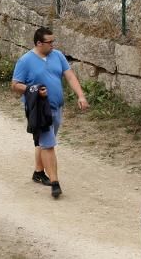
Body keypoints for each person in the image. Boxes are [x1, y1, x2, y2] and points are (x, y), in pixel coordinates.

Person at [11, 26, 88, 199]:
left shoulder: (58, 56)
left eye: (54, 41)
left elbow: (69, 76)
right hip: (39, 109)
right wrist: (34, 89)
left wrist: (81, 96)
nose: (53, 45)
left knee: (45, 141)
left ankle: (39, 172)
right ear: (39, 43)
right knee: (48, 143)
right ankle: (55, 183)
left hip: (57, 107)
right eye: (50, 42)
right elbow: (15, 85)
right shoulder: (25, 61)